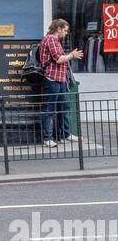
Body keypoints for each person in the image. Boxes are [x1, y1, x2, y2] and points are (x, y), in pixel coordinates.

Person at [39, 19, 82, 147]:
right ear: (58, 29)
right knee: (49, 109)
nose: (66, 33)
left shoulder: (56, 40)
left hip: (60, 78)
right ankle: (47, 139)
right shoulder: (51, 39)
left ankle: (65, 135)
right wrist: (72, 55)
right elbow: (58, 59)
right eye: (65, 30)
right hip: (52, 78)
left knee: (64, 106)